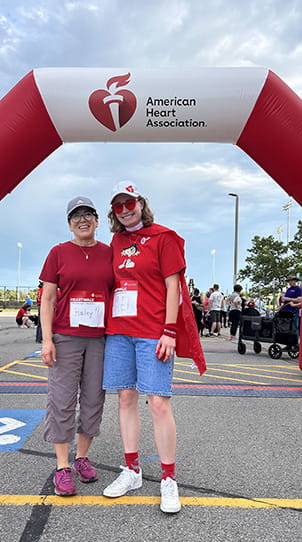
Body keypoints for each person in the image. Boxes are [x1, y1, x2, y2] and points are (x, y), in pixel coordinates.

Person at [101, 180, 206, 514]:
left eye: (130, 203)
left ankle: (168, 477)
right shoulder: (116, 242)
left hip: (152, 332)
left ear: (141, 203)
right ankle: (131, 470)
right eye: (118, 206)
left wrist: (169, 331)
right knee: (125, 398)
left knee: (158, 402)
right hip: (119, 331)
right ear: (114, 213)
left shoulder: (164, 237)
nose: (125, 209)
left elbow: (173, 286)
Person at [38, 196, 115, 496]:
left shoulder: (109, 253)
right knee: (62, 400)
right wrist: (47, 340)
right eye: (75, 217)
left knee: (95, 399)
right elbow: (47, 299)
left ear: (97, 221)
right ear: (69, 224)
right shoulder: (58, 253)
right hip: (65, 337)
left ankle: (82, 457)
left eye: (88, 215)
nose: (82, 220)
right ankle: (62, 466)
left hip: (99, 339)